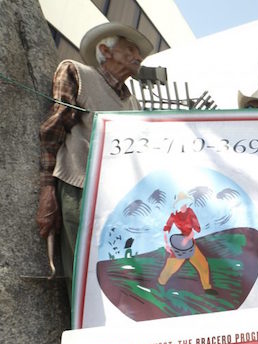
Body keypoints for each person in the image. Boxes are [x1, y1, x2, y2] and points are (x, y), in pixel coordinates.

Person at [35, 22, 153, 302]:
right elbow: (53, 131)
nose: (138, 57)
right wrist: (47, 188)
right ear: (105, 51)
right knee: (82, 275)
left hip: (119, 200)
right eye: (131, 50)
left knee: (118, 276)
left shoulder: (133, 103)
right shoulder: (77, 73)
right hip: (80, 190)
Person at [157, 192, 216, 295]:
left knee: (203, 264)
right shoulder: (174, 215)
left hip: (191, 243)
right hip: (178, 244)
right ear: (178, 205)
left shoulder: (190, 212)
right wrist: (166, 244)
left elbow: (196, 229)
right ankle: (160, 284)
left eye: (185, 203)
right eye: (182, 203)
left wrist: (188, 238)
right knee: (170, 267)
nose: (184, 206)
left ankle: (207, 288)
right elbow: (166, 229)